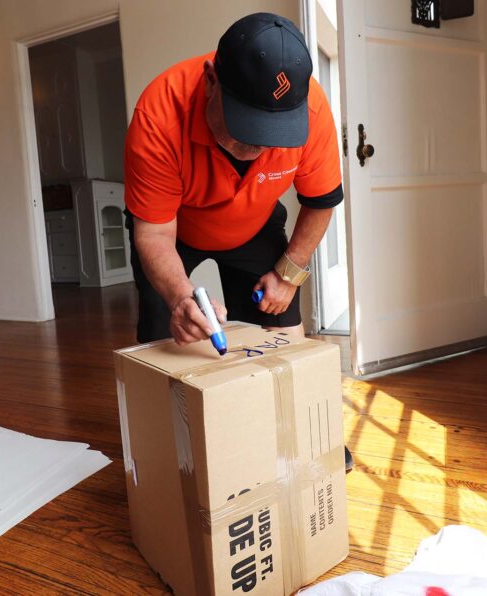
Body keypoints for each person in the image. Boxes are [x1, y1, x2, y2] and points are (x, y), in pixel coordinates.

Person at [123, 12, 352, 470]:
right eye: (245, 128)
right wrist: (180, 299)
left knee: (280, 327)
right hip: (175, 231)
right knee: (165, 335)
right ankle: (173, 456)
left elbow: (321, 201)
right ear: (211, 80)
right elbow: (153, 232)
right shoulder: (158, 112)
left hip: (254, 223)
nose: (259, 148)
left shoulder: (312, 110)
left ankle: (299, 434)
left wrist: (289, 274)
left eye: (273, 135)